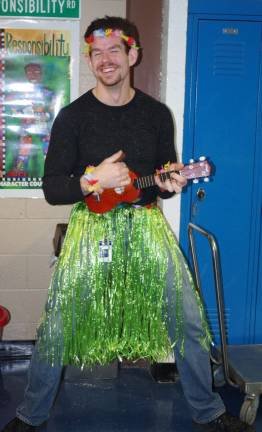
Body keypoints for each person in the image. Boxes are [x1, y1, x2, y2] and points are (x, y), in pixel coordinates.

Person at [1, 16, 255, 432]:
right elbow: (51, 188)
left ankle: (208, 413)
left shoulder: (156, 115)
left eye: (113, 50)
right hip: (91, 231)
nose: (105, 60)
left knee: (187, 318)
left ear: (132, 54)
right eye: (96, 53)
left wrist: (171, 183)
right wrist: (91, 180)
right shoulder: (72, 116)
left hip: (145, 225)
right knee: (58, 323)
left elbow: (163, 179)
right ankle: (31, 415)